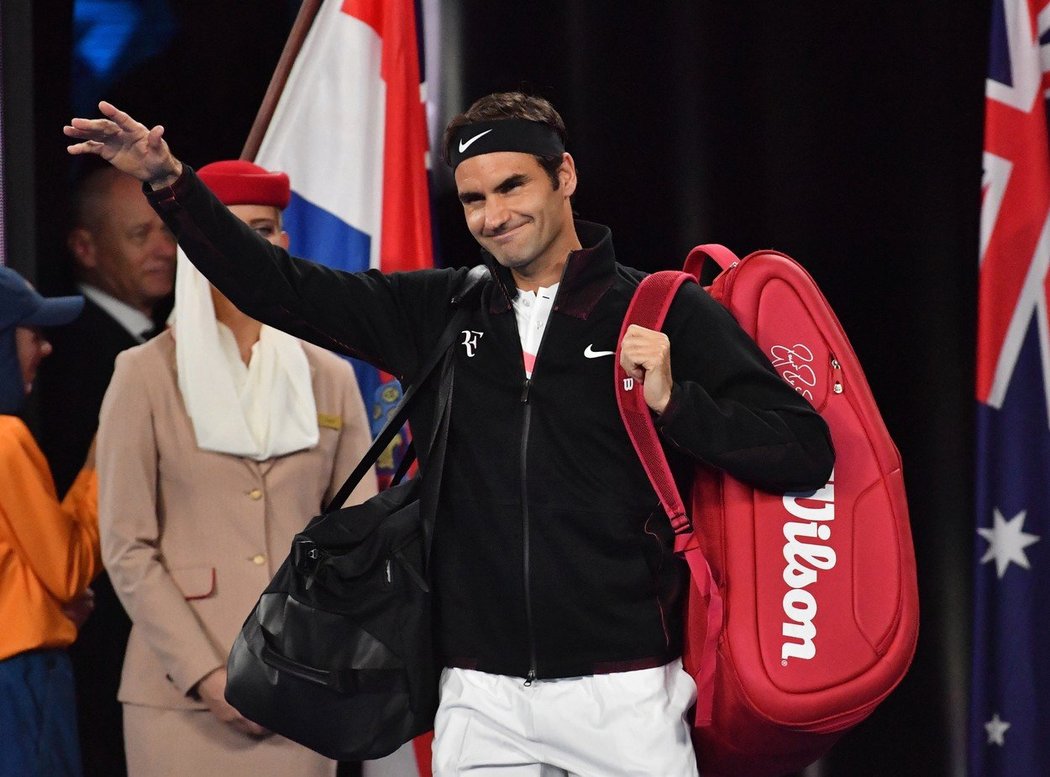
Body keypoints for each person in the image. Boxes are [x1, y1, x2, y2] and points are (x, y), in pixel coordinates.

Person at [66, 94, 835, 777]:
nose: (493, 214)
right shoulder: (443, 310)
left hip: (626, 688)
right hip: (478, 693)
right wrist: (171, 184)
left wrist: (677, 403)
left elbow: (802, 449)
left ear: (564, 175)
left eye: (512, 187)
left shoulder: (664, 309)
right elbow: (280, 287)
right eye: (472, 199)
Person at [92, 159, 379, 777]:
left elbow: (360, 535)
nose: (253, 242)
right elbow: (126, 545)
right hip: (180, 697)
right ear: (198, 241)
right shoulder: (142, 375)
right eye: (234, 226)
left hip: (298, 688)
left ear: (286, 241)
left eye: (267, 228)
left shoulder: (327, 375)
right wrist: (208, 674)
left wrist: (313, 653)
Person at [34, 163, 178, 777]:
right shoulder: (70, 357)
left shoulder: (154, 340)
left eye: (168, 231)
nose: (165, 249)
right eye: (139, 234)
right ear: (84, 248)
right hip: (106, 635)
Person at [0, 265, 101, 777]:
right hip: (19, 679)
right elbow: (69, 569)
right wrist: (102, 465)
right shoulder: (5, 441)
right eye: (32, 334)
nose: (45, 349)